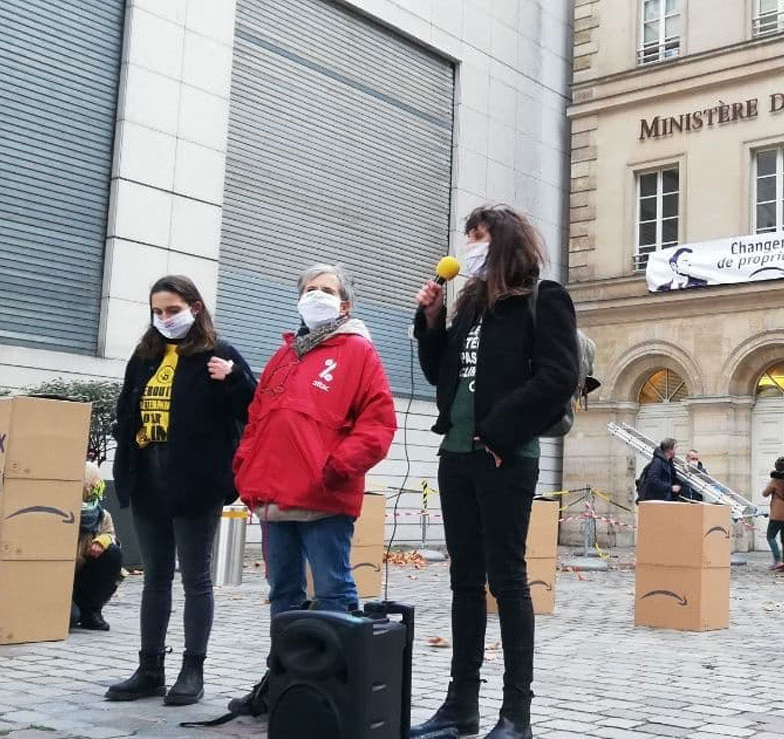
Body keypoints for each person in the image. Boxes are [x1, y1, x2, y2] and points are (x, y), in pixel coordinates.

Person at [411, 205, 579, 739]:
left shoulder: (543, 299)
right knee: (464, 581)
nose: (469, 247)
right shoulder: (470, 307)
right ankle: (460, 706)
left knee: (507, 580)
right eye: (467, 238)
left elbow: (558, 376)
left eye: (478, 237)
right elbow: (442, 375)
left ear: (503, 242)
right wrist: (431, 323)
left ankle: (516, 715)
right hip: (457, 455)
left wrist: (499, 431)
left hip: (506, 456)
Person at [107, 275, 256, 706]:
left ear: (195, 307)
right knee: (155, 576)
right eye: (158, 311)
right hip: (148, 476)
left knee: (195, 577)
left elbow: (255, 408)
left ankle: (193, 670)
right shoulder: (145, 355)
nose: (165, 319)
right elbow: (125, 407)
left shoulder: (219, 354)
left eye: (172, 310)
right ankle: (150, 668)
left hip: (196, 482)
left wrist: (233, 379)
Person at [235, 264, 397, 617]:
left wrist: (336, 467)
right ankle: (284, 670)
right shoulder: (283, 357)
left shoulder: (359, 353)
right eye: (309, 290)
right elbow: (256, 421)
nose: (316, 295)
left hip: (324, 496)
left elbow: (378, 423)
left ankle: (338, 672)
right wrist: (244, 467)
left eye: (326, 290)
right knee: (282, 592)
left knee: (333, 590)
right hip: (273, 497)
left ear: (345, 306)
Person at [71, 462, 121, 631]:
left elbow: (112, 536)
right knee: (70, 618)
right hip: (60, 581)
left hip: (83, 578)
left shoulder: (101, 515)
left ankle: (91, 610)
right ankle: (75, 611)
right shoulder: (63, 513)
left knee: (113, 553)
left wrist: (103, 541)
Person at [761, 457, 784, 571]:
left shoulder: (775, 480)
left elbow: (765, 494)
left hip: (778, 514)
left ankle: (777, 560)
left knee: (770, 536)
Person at [637, 438, 683, 503]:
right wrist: (670, 488)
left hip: (664, 500)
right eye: (675, 448)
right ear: (670, 450)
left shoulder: (669, 462)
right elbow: (653, 480)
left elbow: (674, 478)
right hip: (656, 500)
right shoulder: (657, 462)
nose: (676, 451)